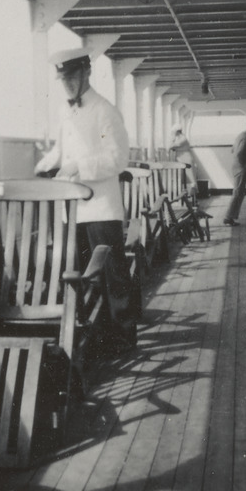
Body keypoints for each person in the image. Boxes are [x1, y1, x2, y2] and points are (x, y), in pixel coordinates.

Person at [35, 48, 139, 355]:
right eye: (63, 78)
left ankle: (124, 338)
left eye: (72, 76)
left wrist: (80, 166)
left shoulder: (105, 111)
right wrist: (41, 167)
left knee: (112, 274)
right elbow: (60, 151)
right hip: (74, 210)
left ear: (86, 73)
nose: (67, 83)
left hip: (101, 208)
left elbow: (118, 159)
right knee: (83, 275)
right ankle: (99, 334)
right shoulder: (68, 112)